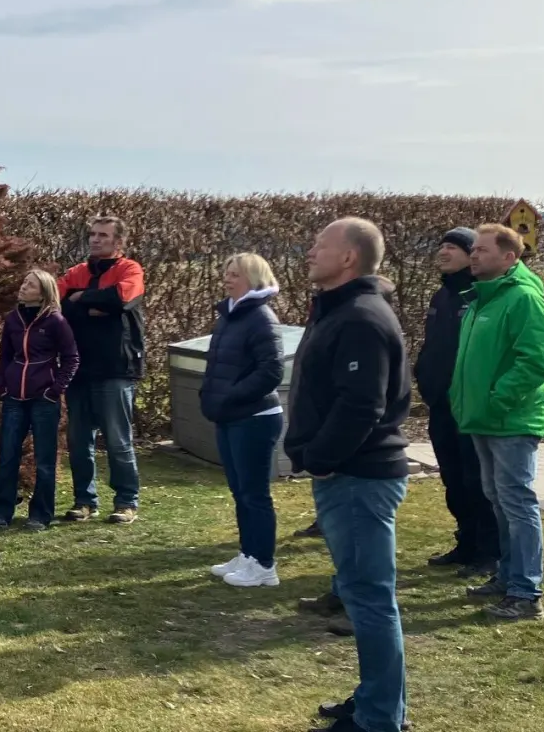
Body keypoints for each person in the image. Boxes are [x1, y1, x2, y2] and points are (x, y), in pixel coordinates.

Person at [284, 219, 411, 732]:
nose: (311, 250)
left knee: (369, 598)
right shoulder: (339, 310)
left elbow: (362, 404)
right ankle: (375, 701)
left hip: (358, 477)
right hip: (347, 475)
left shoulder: (360, 317)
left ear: (349, 259)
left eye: (321, 245)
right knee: (363, 596)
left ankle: (380, 719)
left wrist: (321, 458)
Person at [452, 223, 544, 621]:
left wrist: (498, 400)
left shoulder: (522, 299)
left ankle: (526, 592)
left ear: (509, 257)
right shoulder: (483, 298)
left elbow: (537, 359)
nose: (473, 254)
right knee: (498, 499)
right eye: (473, 249)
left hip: (510, 419)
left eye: (481, 250)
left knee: (517, 501)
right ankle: (509, 576)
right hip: (484, 418)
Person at [413, 227, 497, 578]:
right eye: (441, 246)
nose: (443, 252)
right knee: (452, 478)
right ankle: (465, 543)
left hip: (470, 407)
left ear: (470, 253)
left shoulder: (480, 296)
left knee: (476, 478)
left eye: (453, 247)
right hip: (441, 406)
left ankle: (489, 551)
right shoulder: (440, 297)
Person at [200, 253, 286, 588]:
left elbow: (271, 371)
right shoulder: (231, 316)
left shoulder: (262, 318)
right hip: (231, 417)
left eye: (234, 274)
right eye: (226, 272)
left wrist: (230, 396)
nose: (227, 278)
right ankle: (248, 554)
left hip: (255, 418)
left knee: (254, 493)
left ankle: (264, 564)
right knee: (240, 491)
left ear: (253, 278)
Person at [59, 216, 146, 524]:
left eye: (103, 235)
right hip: (79, 368)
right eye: (93, 234)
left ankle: (126, 502)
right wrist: (90, 306)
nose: (95, 240)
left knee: (118, 440)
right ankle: (85, 501)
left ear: (118, 241)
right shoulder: (76, 272)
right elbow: (59, 303)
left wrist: (81, 298)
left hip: (116, 367)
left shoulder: (130, 270)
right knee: (78, 439)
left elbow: (121, 299)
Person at [0, 268, 78, 530]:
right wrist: (2, 384)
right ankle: (2, 513)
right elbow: (5, 355)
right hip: (14, 398)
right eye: (24, 282)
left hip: (44, 399)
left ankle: (40, 515)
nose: (23, 287)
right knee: (7, 455)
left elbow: (71, 358)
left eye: (30, 284)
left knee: (44, 459)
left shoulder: (55, 321)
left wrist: (55, 390)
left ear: (43, 292)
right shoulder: (13, 319)